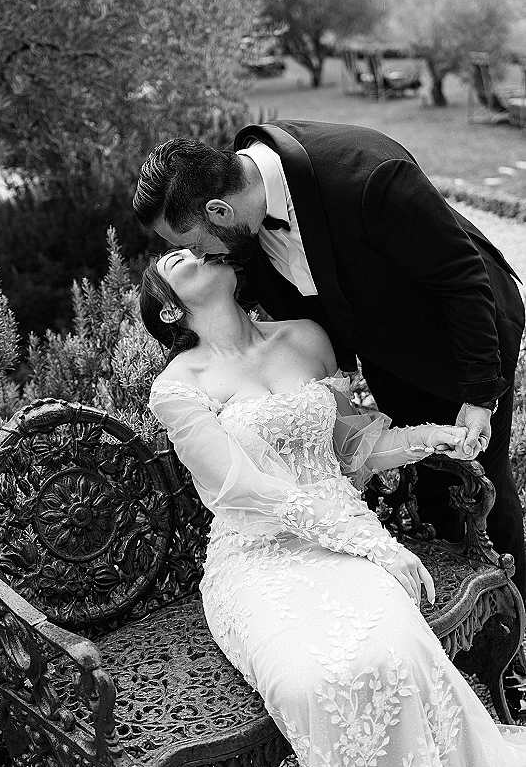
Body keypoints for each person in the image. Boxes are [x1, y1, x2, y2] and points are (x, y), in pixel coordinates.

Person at [132, 122, 526, 704]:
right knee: (432, 498)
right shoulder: (240, 250)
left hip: (457, 332)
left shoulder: (366, 175)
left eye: (192, 244)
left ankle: (514, 657)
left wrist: (476, 399)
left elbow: (459, 277)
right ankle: (458, 651)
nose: (195, 256)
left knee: (485, 482)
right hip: (377, 365)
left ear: (219, 210)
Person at [141, 247, 526, 766]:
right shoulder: (178, 387)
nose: (192, 251)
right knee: (308, 681)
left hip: (346, 550)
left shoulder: (305, 336)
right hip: (259, 561)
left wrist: (434, 438)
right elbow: (245, 491)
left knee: (393, 650)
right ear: (169, 310)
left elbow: (349, 448)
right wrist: (375, 544)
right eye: (175, 261)